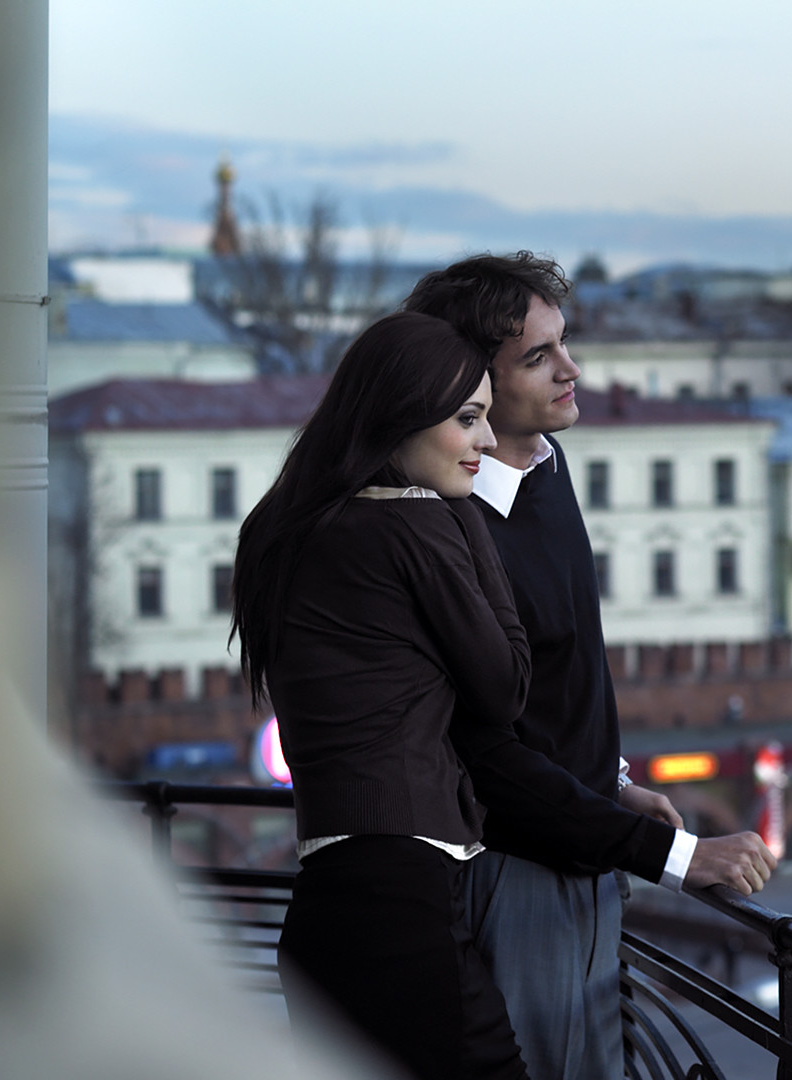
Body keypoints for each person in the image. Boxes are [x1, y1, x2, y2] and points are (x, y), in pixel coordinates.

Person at [405, 254, 778, 1080]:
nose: (571, 370)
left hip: (583, 854)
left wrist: (606, 780)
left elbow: (562, 665)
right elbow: (488, 757)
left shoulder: (543, 466)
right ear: (471, 382)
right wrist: (681, 859)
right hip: (513, 877)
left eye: (563, 344)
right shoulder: (447, 526)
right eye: (538, 358)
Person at [231, 311, 533, 1080]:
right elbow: (505, 687)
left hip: (327, 904)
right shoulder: (418, 526)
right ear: (399, 416)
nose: (487, 443)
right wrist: (465, 519)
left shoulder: (287, 526)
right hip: (403, 908)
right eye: (468, 420)